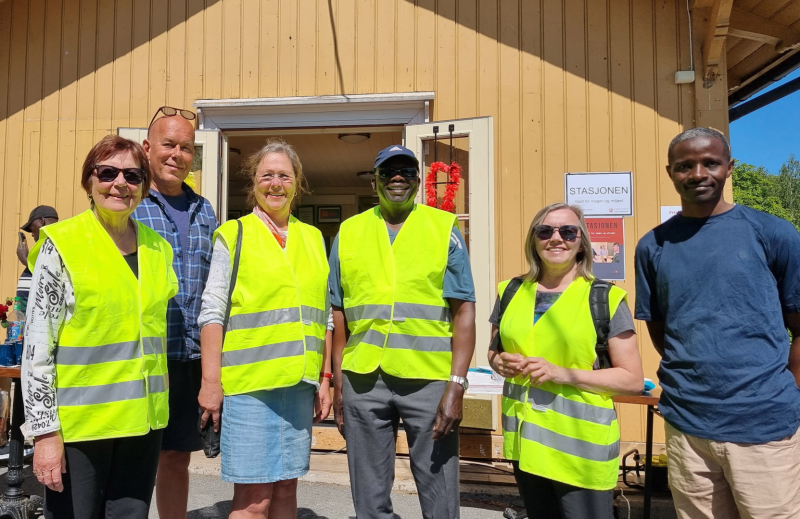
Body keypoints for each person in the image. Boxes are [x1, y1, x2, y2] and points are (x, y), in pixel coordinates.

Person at [635, 127, 800, 519]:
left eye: (710, 163)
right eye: (684, 166)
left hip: (764, 426)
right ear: (670, 172)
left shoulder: (774, 233)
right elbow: (662, 331)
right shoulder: (653, 246)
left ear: (729, 167)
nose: (697, 173)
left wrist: (789, 390)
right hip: (687, 426)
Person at [21, 135, 178, 518]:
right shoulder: (63, 244)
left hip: (142, 425)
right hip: (80, 429)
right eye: (107, 172)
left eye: (133, 175)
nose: (120, 183)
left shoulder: (159, 249)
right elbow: (37, 349)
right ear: (89, 181)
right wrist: (44, 434)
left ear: (143, 185)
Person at [330, 144, 476, 519]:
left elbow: (464, 312)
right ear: (375, 179)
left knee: (439, 492)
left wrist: (456, 384)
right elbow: (340, 314)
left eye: (407, 171)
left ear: (417, 180)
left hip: (428, 380)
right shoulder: (349, 232)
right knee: (369, 496)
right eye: (389, 171)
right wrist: (338, 385)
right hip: (363, 380)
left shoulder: (444, 228)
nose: (398, 177)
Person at [198, 139, 331, 519]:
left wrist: (324, 378)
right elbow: (212, 313)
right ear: (254, 183)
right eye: (267, 175)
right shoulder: (234, 235)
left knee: (287, 487)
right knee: (254, 500)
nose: (276, 183)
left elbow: (323, 317)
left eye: (284, 175)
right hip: (250, 388)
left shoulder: (313, 239)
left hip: (298, 387)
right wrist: (211, 384)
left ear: (297, 183)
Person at [488, 202, 643, 519]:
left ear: (582, 241)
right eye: (545, 231)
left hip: (580, 450)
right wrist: (498, 362)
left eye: (567, 231)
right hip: (525, 444)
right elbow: (494, 351)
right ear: (534, 239)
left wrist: (563, 373)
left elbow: (632, 380)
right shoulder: (510, 292)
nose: (555, 238)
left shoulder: (604, 298)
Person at [132, 106, 217, 519]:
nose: (177, 155)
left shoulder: (206, 211)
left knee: (176, 458)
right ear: (147, 148)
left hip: (188, 358)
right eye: (168, 144)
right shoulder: (128, 203)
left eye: (186, 148)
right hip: (141, 358)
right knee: (132, 458)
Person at [16, 205, 59, 312]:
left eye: (31, 228)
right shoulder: (45, 243)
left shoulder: (57, 243)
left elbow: (51, 275)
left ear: (41, 221)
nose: (32, 234)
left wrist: (25, 259)